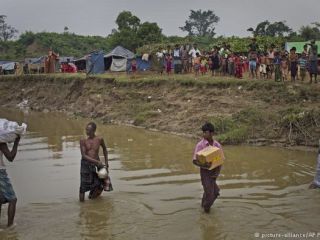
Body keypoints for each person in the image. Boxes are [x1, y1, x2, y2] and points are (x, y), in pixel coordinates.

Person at [192, 123, 224, 213]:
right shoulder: (200, 145)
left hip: (214, 171)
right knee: (211, 193)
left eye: (205, 132)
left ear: (212, 133)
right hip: (205, 172)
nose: (203, 134)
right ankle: (206, 211)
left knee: (212, 192)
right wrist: (205, 165)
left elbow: (221, 160)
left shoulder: (217, 145)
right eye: (203, 132)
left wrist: (217, 173)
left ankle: (204, 206)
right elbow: (194, 161)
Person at [79, 122, 109, 202]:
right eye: (86, 130)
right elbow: (84, 155)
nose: (86, 132)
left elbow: (105, 150)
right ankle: (82, 206)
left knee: (103, 183)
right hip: (85, 164)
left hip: (97, 164)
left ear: (94, 130)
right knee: (83, 187)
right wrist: (96, 162)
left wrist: (106, 163)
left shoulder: (99, 139)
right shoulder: (83, 140)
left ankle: (92, 199)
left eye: (88, 130)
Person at [0, 135, 20, 227]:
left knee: (0, 199)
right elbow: (10, 157)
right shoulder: (1, 141)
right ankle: (10, 227)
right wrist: (16, 142)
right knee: (13, 199)